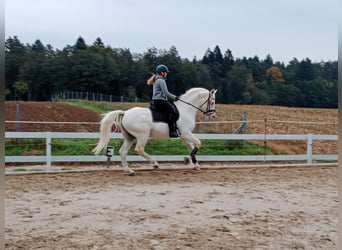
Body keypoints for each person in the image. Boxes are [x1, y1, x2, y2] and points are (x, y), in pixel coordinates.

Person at [148, 64, 180, 138]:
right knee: (173, 111)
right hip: (160, 101)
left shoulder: (156, 79)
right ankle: (172, 130)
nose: (166, 73)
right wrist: (175, 97)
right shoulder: (161, 80)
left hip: (156, 100)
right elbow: (166, 93)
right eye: (165, 72)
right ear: (162, 72)